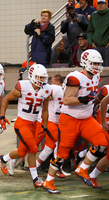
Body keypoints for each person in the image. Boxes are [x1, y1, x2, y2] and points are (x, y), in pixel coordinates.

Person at [42, 49, 108, 194]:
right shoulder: (76, 77)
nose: (97, 66)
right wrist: (81, 99)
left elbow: (91, 97)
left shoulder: (95, 76)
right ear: (85, 62)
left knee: (102, 143)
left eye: (98, 63)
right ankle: (48, 181)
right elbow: (66, 100)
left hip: (86, 119)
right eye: (94, 63)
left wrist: (94, 101)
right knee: (62, 155)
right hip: (70, 119)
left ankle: (82, 168)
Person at [0, 64, 51, 188]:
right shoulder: (23, 86)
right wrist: (2, 116)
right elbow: (6, 99)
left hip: (33, 124)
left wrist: (44, 125)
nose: (42, 80)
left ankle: (4, 159)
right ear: (32, 76)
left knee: (22, 151)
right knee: (33, 148)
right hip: (22, 123)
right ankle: (35, 178)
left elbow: (45, 110)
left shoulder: (46, 90)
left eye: (43, 78)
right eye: (39, 77)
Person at [87, 0, 109, 66]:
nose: (101, 5)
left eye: (102, 4)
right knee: (95, 68)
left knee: (107, 68)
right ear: (97, 5)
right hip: (96, 46)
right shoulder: (94, 15)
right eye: (99, 4)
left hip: (107, 46)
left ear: (106, 4)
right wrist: (91, 42)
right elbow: (90, 30)